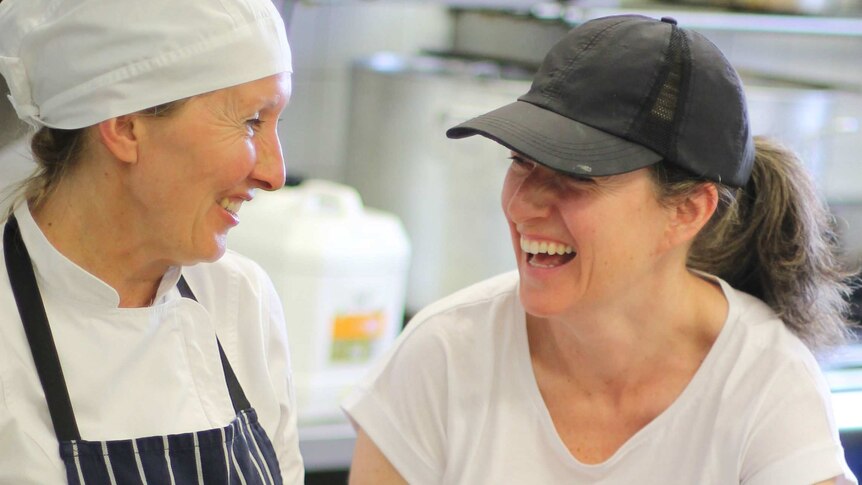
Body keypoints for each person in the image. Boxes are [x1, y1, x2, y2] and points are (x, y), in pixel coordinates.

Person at [343, 14, 858, 485]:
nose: (523, 205)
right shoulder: (444, 355)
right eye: (521, 161)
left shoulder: (764, 380)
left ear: (687, 212)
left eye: (575, 175)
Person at [0, 0, 303, 483]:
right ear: (125, 126)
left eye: (275, 124)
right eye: (250, 121)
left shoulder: (241, 299)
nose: (274, 173)